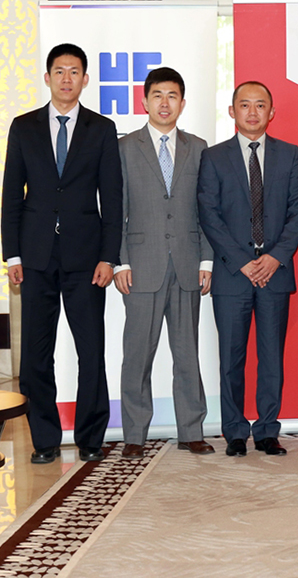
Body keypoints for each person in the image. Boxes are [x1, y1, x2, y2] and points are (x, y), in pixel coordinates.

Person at [1, 43, 122, 464]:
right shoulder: (24, 127)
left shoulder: (101, 129)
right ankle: (45, 440)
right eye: (59, 71)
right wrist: (12, 256)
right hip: (35, 258)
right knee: (36, 355)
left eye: (74, 72)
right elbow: (11, 195)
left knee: (91, 351)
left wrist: (109, 256)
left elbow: (113, 199)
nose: (66, 78)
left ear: (85, 79)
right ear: (47, 77)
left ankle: (90, 437)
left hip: (86, 259)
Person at [197, 81, 298, 457]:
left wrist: (276, 257)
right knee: (232, 358)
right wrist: (243, 262)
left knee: (271, 356)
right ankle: (234, 431)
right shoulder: (213, 157)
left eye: (261, 105)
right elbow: (209, 215)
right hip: (232, 274)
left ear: (271, 112)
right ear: (232, 111)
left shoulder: (289, 155)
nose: (253, 112)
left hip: (275, 271)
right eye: (245, 105)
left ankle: (266, 430)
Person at [114, 67, 215, 459]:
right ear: (144, 101)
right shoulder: (125, 147)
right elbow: (116, 210)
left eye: (172, 96)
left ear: (182, 103)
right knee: (138, 355)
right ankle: (134, 435)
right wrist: (120, 262)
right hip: (141, 266)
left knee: (187, 354)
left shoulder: (199, 147)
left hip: (188, 264)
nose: (164, 103)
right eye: (157, 95)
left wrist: (206, 259)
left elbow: (207, 210)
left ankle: (191, 430)